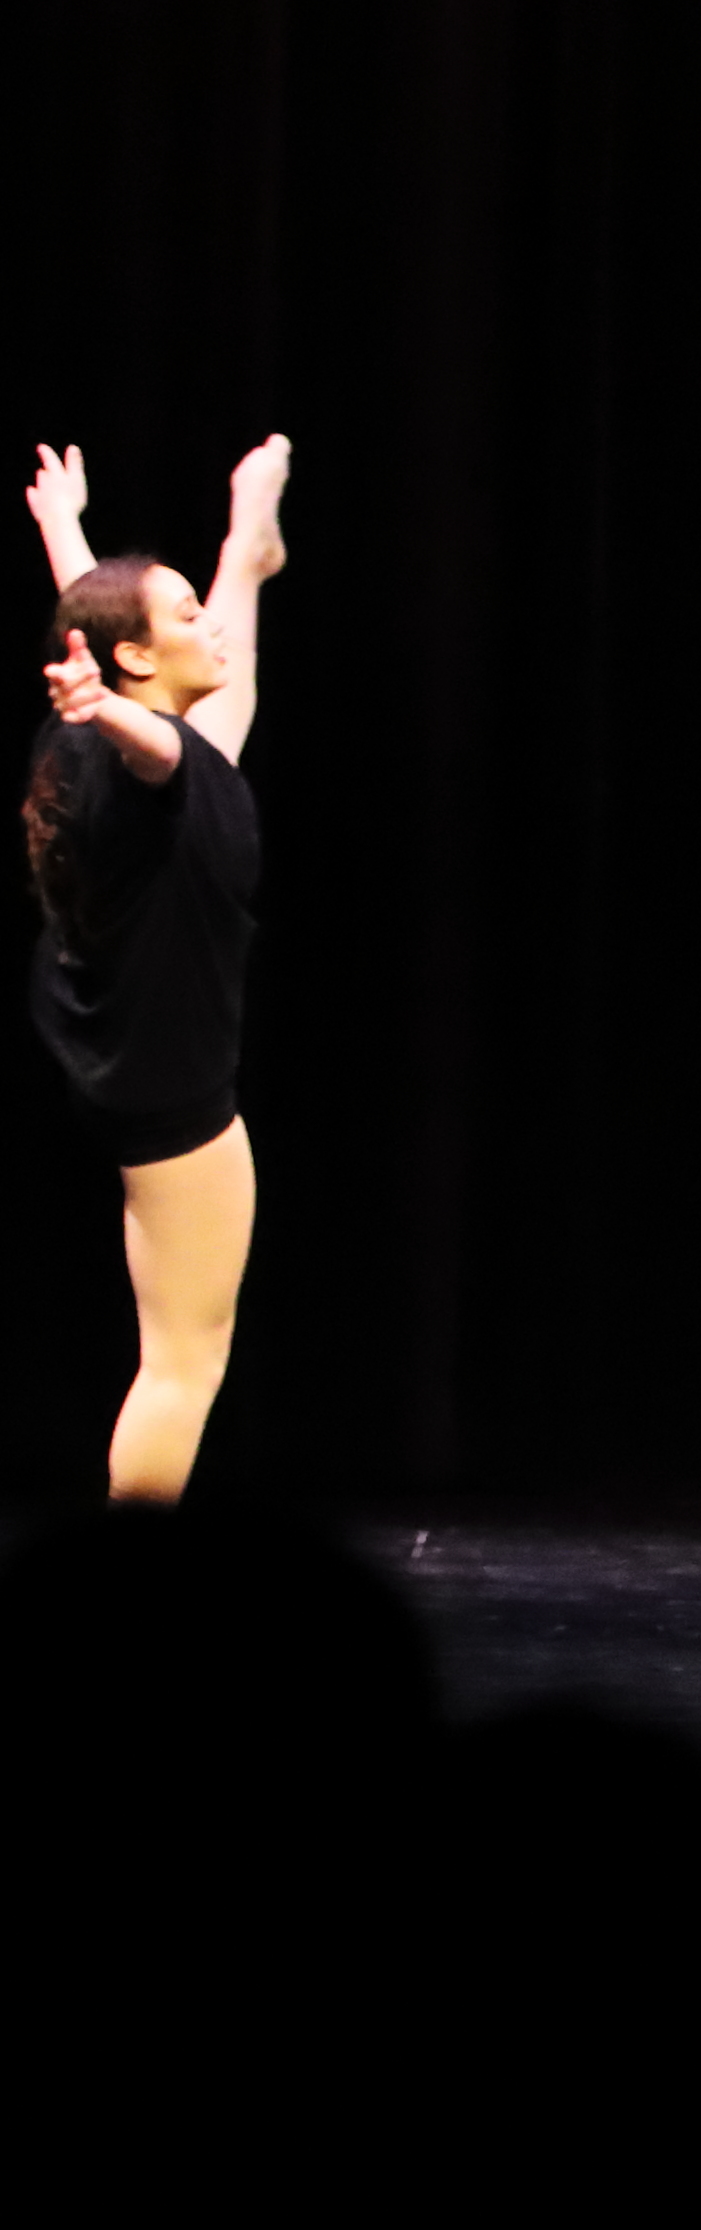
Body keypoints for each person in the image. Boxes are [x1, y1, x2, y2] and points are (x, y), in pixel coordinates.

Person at [27, 434, 295, 1501]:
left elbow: (104, 637)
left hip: (105, 1041)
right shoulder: (142, 747)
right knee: (184, 1361)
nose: (205, 627)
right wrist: (108, 710)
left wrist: (62, 529)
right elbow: (157, 744)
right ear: (136, 662)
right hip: (163, 1079)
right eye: (190, 614)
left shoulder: (103, 709)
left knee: (219, 722)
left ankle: (247, 551)